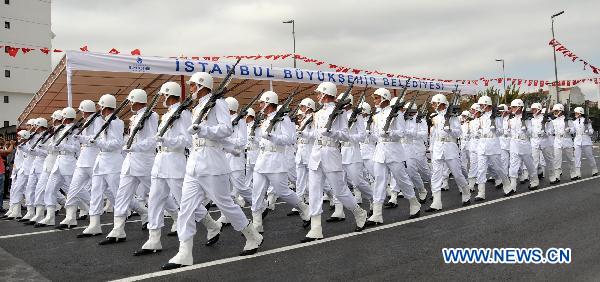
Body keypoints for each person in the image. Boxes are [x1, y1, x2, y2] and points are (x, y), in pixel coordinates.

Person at [162, 71, 262, 270]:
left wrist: (204, 130)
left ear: (201, 85)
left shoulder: (218, 103)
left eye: (192, 85)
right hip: (194, 163)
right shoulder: (198, 107)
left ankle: (252, 235)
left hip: (212, 162)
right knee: (186, 208)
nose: (189, 89)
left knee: (225, 204)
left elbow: (226, 129)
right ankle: (184, 252)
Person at [302, 82, 367, 242]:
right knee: (315, 191)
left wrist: (331, 132)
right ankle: (316, 228)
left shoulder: (339, 112)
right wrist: (304, 134)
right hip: (316, 154)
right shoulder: (317, 113)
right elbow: (317, 134)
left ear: (326, 94)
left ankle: (359, 212)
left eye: (319, 93)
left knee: (340, 191)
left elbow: (345, 135)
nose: (317, 96)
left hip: (331, 153)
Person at [135, 81, 191, 256]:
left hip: (175, 162)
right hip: (160, 162)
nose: (161, 99)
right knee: (155, 201)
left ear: (169, 95)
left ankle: (211, 226)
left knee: (186, 203)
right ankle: (154, 239)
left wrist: (167, 141)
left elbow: (187, 140)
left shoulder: (183, 113)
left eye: (163, 96)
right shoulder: (167, 115)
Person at [99, 89, 157, 245]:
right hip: (130, 163)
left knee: (159, 193)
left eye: (131, 101)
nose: (130, 104)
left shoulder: (151, 115)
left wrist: (134, 147)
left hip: (144, 161)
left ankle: (176, 218)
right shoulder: (135, 117)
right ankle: (118, 230)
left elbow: (152, 140)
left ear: (137, 101)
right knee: (122, 196)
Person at [250, 91, 310, 233]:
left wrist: (272, 137)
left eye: (262, 102)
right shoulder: (264, 120)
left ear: (269, 103)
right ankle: (257, 225)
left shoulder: (283, 119)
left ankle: (304, 208)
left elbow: (290, 139)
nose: (260, 105)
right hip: (262, 160)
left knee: (283, 191)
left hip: (276, 160)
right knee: (256, 193)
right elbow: (263, 140)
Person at [365, 89, 420, 226]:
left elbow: (401, 133)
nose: (375, 100)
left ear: (384, 98)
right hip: (380, 152)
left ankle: (414, 203)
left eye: (377, 98)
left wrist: (389, 132)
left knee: (401, 179)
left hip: (394, 151)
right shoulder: (377, 115)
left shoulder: (397, 114)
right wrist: (370, 135)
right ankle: (377, 214)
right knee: (379, 181)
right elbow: (378, 135)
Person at [77, 94, 125, 238]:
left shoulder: (116, 122)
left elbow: (117, 143)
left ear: (104, 106)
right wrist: (85, 139)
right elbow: (97, 139)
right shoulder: (105, 121)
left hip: (112, 162)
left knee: (118, 196)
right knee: (96, 194)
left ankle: (120, 227)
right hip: (101, 161)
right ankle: (94, 224)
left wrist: (98, 143)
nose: (99, 108)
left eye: (101, 106)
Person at [57, 101, 102, 229]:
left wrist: (82, 139)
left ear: (87, 110)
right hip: (83, 160)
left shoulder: (97, 120)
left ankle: (137, 211)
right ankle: (70, 218)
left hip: (93, 159)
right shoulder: (86, 121)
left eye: (82, 110)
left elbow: (98, 138)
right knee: (73, 189)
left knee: (109, 191)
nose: (81, 113)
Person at [35, 108, 80, 227]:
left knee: (73, 191)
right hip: (58, 162)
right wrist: (47, 147)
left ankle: (71, 217)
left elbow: (75, 148)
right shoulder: (61, 130)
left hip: (69, 161)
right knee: (50, 189)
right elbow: (56, 148)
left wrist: (62, 146)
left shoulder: (74, 130)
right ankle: (50, 217)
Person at [427, 94, 471, 211]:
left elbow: (458, 133)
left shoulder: (452, 116)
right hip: (438, 148)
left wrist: (450, 130)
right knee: (436, 175)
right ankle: (436, 203)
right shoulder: (435, 118)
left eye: (434, 103)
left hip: (450, 147)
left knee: (457, 173)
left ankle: (466, 192)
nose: (432, 105)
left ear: (440, 103)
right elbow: (435, 134)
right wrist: (432, 147)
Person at [216, 97, 253, 226]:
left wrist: (226, 142)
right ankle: (225, 216)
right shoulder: (224, 121)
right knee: (226, 190)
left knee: (240, 187)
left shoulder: (240, 122)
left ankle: (260, 204)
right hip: (224, 159)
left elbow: (242, 141)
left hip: (236, 159)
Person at [474, 96, 510, 201]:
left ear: (487, 105)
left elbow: (501, 132)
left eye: (481, 105)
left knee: (498, 168)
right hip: (482, 146)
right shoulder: (480, 118)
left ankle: (507, 186)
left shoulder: (497, 117)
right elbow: (478, 131)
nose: (480, 107)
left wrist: (495, 130)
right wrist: (478, 132)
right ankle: (481, 193)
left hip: (493, 145)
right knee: (481, 170)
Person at [505, 99, 538, 195]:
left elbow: (532, 133)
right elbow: (509, 132)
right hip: (514, 143)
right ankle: (513, 186)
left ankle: (534, 181)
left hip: (524, 143)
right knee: (513, 166)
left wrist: (526, 130)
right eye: (512, 107)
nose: (512, 109)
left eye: (514, 107)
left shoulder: (528, 119)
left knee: (529, 164)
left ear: (519, 107)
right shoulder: (511, 119)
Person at [530, 103, 558, 184]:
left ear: (538, 109)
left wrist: (545, 132)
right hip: (535, 142)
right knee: (534, 161)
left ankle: (552, 177)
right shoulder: (532, 120)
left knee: (549, 160)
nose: (532, 111)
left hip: (545, 142)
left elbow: (552, 131)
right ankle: (534, 181)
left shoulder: (547, 119)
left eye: (533, 109)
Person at [550, 104, 576, 181]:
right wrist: (551, 131)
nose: (554, 112)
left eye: (556, 111)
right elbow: (551, 131)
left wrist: (570, 130)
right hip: (557, 140)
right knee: (557, 159)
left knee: (570, 158)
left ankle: (573, 173)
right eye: (554, 111)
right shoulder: (553, 121)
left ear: (561, 111)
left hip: (567, 140)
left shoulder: (568, 120)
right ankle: (557, 175)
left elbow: (574, 130)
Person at [572, 107, 598, 177]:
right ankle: (577, 172)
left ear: (580, 113)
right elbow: (573, 131)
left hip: (586, 140)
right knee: (577, 157)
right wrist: (569, 130)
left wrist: (588, 131)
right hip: (577, 141)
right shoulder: (574, 122)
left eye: (576, 113)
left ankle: (594, 168)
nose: (575, 114)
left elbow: (591, 131)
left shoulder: (587, 121)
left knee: (589, 156)